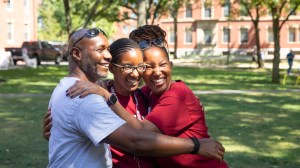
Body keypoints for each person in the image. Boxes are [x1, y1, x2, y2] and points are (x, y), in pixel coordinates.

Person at [47, 27, 225, 168]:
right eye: (146, 66)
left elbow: (142, 133)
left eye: (140, 66)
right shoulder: (91, 95)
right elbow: (136, 139)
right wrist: (59, 130)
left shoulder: (160, 95)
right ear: (113, 68)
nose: (137, 73)